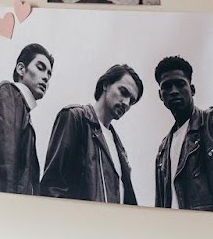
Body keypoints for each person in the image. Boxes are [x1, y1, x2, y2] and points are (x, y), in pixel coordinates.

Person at [40, 64, 143, 204]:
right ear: (106, 85)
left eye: (132, 101)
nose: (126, 103)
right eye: (123, 92)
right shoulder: (75, 118)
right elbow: (52, 186)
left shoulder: (118, 147)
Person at [0, 43, 54, 196]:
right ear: (21, 69)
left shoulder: (21, 108)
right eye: (40, 68)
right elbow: (3, 163)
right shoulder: (8, 94)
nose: (45, 77)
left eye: (49, 74)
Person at [153, 56, 213, 211]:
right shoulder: (163, 150)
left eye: (180, 84)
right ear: (160, 95)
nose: (173, 91)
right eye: (167, 86)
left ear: (192, 90)